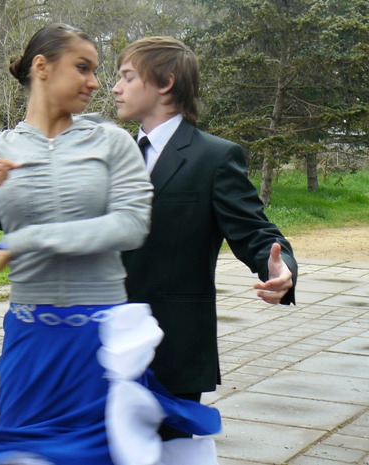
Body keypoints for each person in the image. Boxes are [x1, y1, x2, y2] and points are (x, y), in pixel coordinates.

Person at [0, 24, 221, 465]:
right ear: (42, 67)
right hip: (31, 344)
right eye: (83, 67)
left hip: (100, 346)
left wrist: (27, 239)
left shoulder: (112, 143)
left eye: (95, 70)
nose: (95, 82)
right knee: (25, 454)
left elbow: (130, 225)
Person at [112, 36, 298, 440]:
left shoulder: (214, 157)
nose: (115, 88)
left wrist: (281, 269)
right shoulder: (115, 156)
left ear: (165, 83)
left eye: (127, 77)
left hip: (170, 351)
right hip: (101, 344)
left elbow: (256, 231)